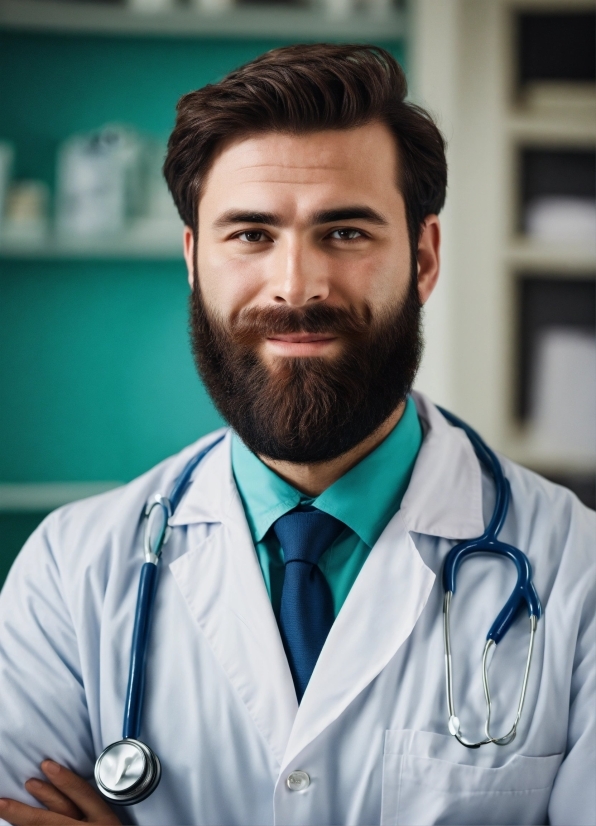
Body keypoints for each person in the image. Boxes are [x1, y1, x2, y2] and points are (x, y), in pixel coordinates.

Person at [0, 44, 594, 826]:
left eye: (345, 233)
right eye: (250, 234)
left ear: (422, 258)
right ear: (193, 261)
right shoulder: (72, 572)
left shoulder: (575, 572)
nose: (296, 286)